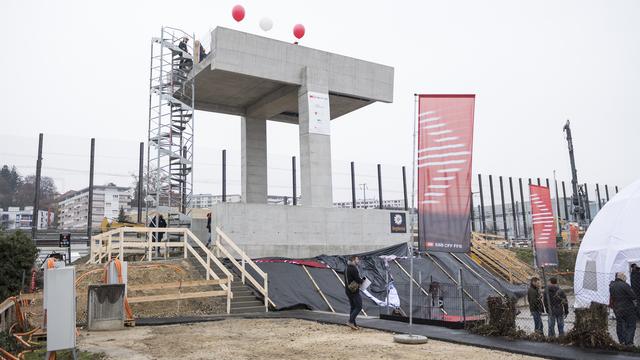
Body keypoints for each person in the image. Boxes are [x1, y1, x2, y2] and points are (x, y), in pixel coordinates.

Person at [610, 272, 637, 346]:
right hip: (628, 308)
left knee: (620, 325)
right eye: (624, 276)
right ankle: (629, 342)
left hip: (617, 308)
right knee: (631, 325)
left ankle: (622, 341)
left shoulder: (612, 285)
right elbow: (633, 296)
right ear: (621, 277)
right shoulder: (625, 285)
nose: (625, 277)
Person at [344, 255, 364, 330]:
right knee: (359, 307)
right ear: (353, 260)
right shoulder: (353, 269)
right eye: (357, 260)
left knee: (353, 307)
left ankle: (353, 325)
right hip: (354, 291)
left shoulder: (346, 268)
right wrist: (363, 280)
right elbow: (358, 280)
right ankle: (350, 321)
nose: (358, 261)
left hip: (348, 290)